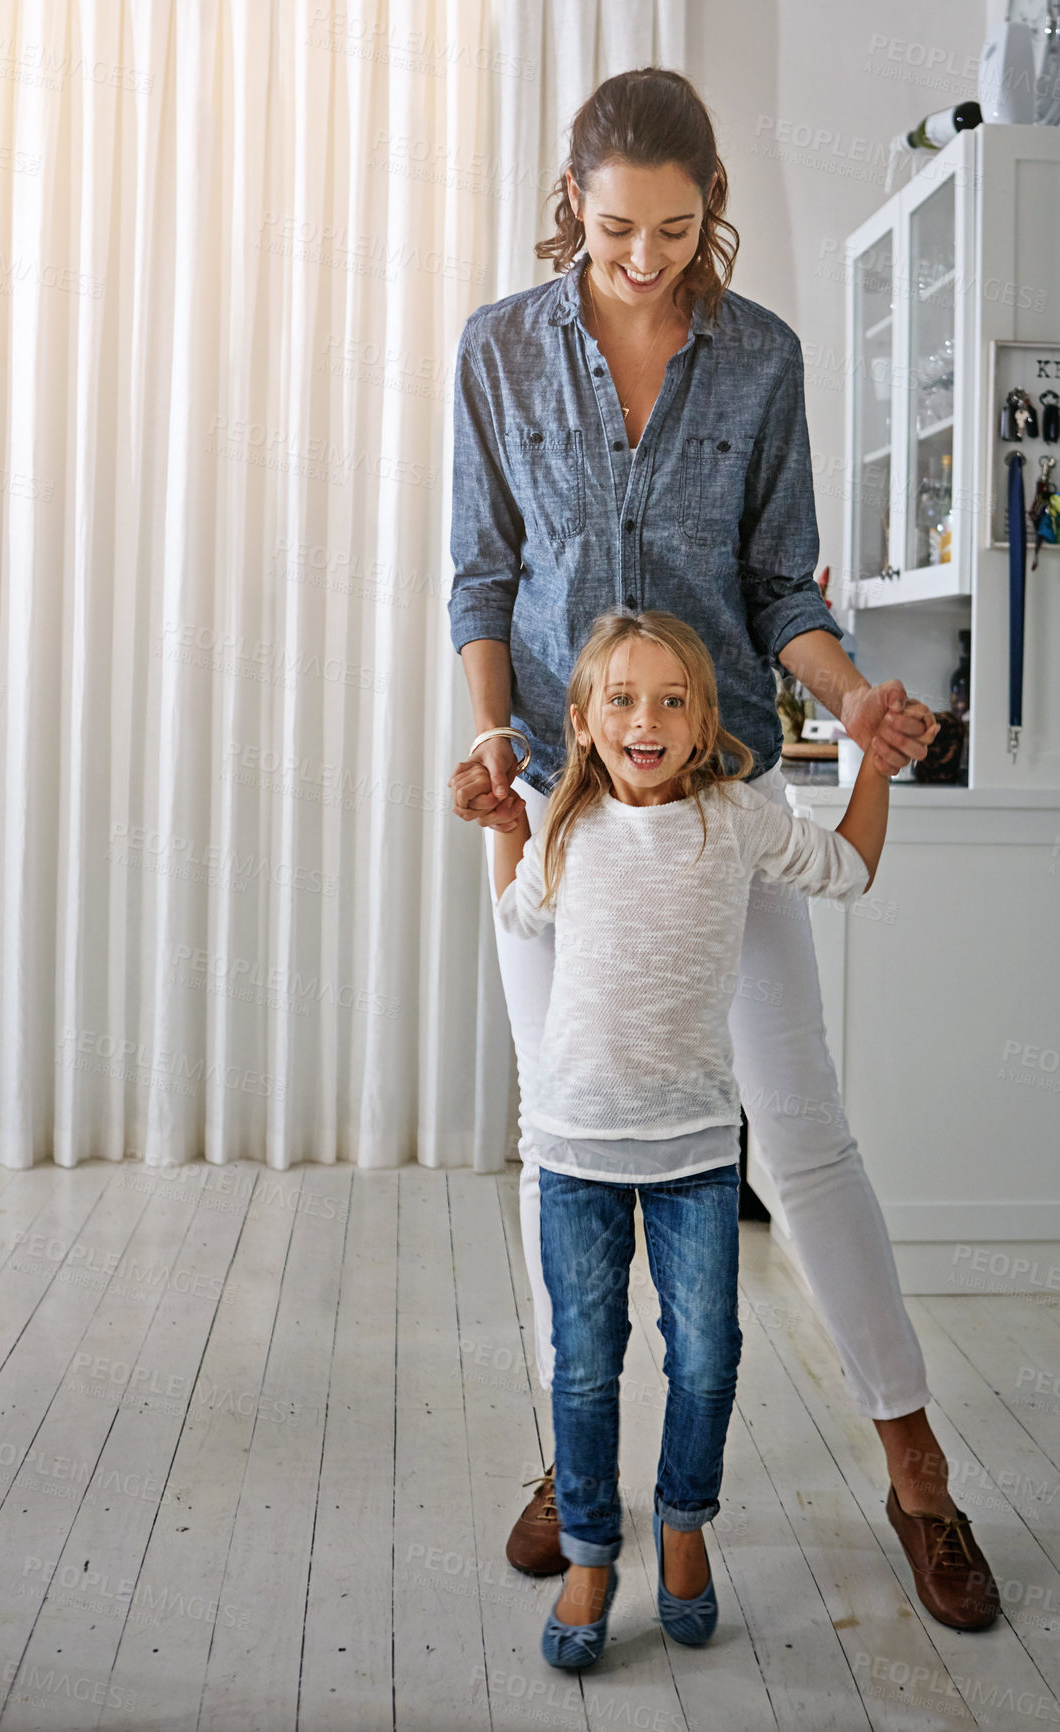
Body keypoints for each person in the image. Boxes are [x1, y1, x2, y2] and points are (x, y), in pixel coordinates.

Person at [446, 66, 1000, 1633]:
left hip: (723, 797)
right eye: (616, 228)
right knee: (562, 1134)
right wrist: (493, 739)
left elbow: (782, 593)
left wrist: (856, 699)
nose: (643, 258)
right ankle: (578, 1464)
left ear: (711, 214)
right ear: (574, 206)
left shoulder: (760, 359)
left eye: (675, 231)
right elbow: (479, 578)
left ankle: (916, 1476)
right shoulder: (498, 350)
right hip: (556, 802)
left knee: (799, 1134)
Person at [459, 607, 885, 1669]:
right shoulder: (561, 820)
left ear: (702, 722)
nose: (644, 719)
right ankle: (594, 1552)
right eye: (620, 699)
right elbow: (517, 918)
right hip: (574, 1155)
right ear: (583, 718)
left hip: (695, 1154)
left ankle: (682, 1520)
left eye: (670, 699)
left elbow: (848, 868)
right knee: (584, 1366)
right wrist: (498, 809)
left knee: (704, 1358)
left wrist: (871, 756)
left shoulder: (735, 818)